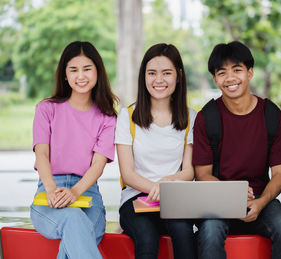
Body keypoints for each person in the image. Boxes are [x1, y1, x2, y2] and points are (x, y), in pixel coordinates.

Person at [192, 41, 281, 259]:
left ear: (250, 73)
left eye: (237, 70)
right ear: (215, 79)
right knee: (209, 233)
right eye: (222, 73)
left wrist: (260, 202)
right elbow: (202, 174)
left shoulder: (271, 115)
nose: (230, 78)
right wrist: (232, 192)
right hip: (219, 196)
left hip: (262, 197)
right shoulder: (207, 117)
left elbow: (279, 174)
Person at [30, 41, 118, 258]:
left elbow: (98, 165)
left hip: (87, 194)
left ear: (98, 72)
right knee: (75, 220)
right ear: (64, 75)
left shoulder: (108, 117)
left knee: (76, 226)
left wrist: (75, 192)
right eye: (74, 70)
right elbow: (41, 153)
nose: (81, 76)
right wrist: (51, 190)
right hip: (48, 193)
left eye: (87, 69)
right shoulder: (46, 109)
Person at [115, 43, 197, 259]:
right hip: (136, 199)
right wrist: (155, 188)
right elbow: (128, 175)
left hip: (175, 199)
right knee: (146, 238)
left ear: (178, 76)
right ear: (144, 77)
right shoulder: (128, 116)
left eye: (166, 73)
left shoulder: (191, 117)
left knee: (184, 235)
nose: (158, 80)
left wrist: (166, 185)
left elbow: (189, 172)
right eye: (152, 73)